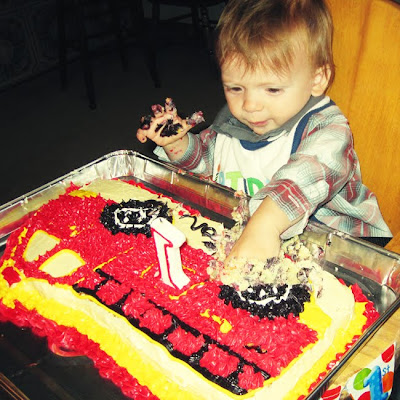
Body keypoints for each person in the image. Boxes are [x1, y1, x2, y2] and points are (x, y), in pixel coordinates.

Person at [136, 0, 392, 264]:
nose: (250, 105)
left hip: (344, 248)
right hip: (255, 235)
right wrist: (178, 144)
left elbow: (303, 180)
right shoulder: (234, 124)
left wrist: (266, 225)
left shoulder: (328, 130)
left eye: (272, 89)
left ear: (317, 80)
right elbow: (205, 162)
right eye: (235, 88)